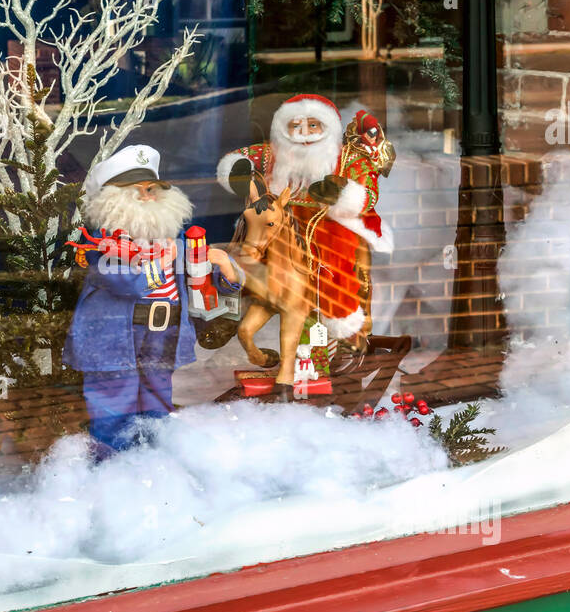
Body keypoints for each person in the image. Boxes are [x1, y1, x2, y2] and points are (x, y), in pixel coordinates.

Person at [64, 144, 241, 454]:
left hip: (164, 331)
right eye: (136, 191)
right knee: (115, 398)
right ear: (113, 199)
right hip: (116, 337)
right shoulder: (103, 246)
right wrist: (162, 263)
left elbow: (204, 283)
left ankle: (156, 456)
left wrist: (224, 267)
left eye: (152, 189)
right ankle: (113, 462)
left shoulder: (177, 240)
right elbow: (127, 285)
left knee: (158, 394)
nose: (147, 197)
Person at [216, 94, 394, 341]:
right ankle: (234, 312)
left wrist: (342, 193)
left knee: (335, 260)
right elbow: (240, 159)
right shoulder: (272, 153)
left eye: (313, 125)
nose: (305, 133)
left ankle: (339, 317)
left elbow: (369, 194)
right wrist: (238, 173)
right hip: (279, 218)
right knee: (248, 254)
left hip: (330, 222)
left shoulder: (347, 159)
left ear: (327, 127)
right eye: (295, 126)